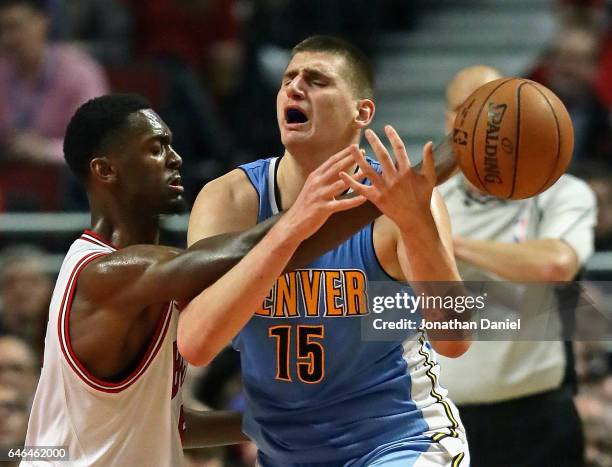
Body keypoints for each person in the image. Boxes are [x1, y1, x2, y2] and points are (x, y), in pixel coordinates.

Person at [23, 93, 368, 466]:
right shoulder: (107, 274)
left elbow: (165, 423)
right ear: (106, 171)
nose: (176, 158)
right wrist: (309, 209)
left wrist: (277, 421)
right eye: (156, 148)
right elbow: (254, 253)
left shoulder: (146, 275)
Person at [185, 35, 471, 466]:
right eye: (288, 80)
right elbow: (196, 343)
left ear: (363, 112)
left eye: (316, 80)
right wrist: (292, 226)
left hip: (399, 439)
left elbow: (454, 339)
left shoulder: (402, 201)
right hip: (287, 453)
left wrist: (415, 223)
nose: (295, 88)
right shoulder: (230, 200)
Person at [438, 64, 597, 466]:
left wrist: (447, 243)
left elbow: (554, 264)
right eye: (464, 110)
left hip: (537, 416)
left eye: (491, 111)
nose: (477, 124)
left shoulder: (562, 192)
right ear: (448, 121)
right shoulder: (425, 198)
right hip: (440, 421)